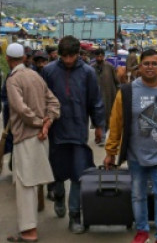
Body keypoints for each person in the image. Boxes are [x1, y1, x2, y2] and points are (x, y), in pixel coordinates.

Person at [104, 49, 157, 243]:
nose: (150, 67)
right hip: (136, 154)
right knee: (138, 195)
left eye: (154, 64)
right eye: (146, 63)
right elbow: (116, 122)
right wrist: (110, 151)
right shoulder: (127, 91)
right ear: (139, 66)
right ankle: (142, 231)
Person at [41, 35, 105, 234]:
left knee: (79, 174)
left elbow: (95, 100)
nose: (68, 60)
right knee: (56, 172)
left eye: (72, 56)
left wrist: (99, 125)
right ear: (59, 55)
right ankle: (58, 195)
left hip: (78, 131)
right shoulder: (48, 71)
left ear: (79, 54)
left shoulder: (88, 73)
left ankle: (75, 216)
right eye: (64, 56)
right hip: (55, 131)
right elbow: (41, 99)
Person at [4, 43, 61, 243]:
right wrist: (48, 122)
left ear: (8, 59)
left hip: (26, 138)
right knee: (31, 184)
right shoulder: (36, 76)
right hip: (41, 139)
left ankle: (29, 233)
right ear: (24, 58)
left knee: (24, 185)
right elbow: (54, 103)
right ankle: (29, 230)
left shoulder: (13, 80)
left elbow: (21, 109)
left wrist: (39, 123)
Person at [91, 48, 118, 146]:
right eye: (97, 56)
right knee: (98, 116)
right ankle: (100, 136)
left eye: (101, 56)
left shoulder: (110, 67)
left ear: (104, 56)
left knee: (107, 117)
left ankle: (102, 135)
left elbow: (116, 81)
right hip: (96, 97)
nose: (99, 58)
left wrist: (118, 94)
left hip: (109, 95)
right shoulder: (91, 68)